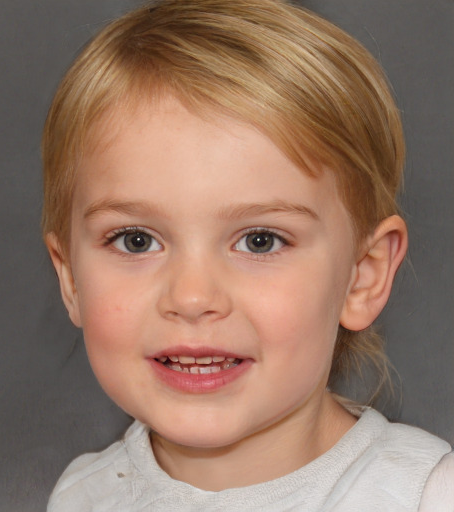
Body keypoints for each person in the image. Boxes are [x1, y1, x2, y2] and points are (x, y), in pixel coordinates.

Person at [43, 0, 454, 510]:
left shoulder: (428, 496)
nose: (192, 297)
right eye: (136, 240)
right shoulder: (82, 496)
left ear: (361, 277)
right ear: (71, 280)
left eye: (260, 241)